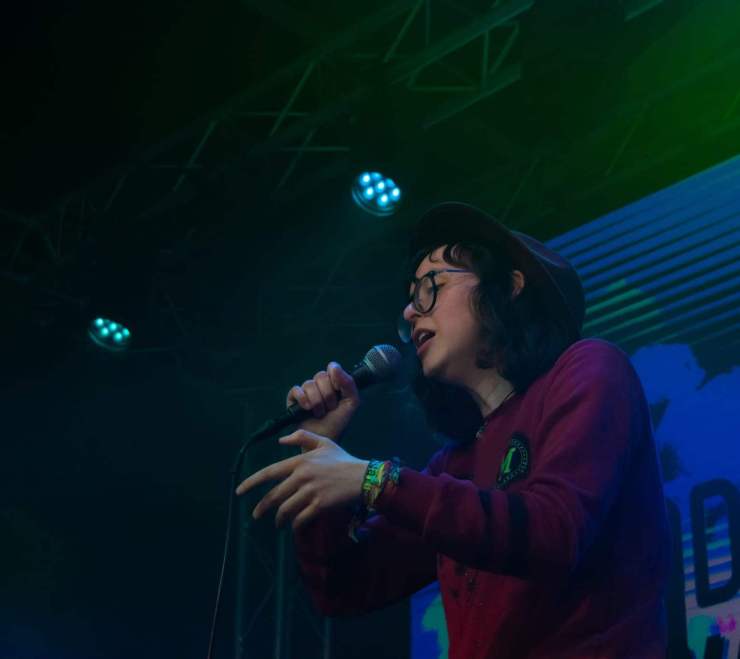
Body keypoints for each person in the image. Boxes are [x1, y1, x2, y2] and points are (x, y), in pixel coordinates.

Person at [236, 202, 671, 658]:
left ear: (510, 286)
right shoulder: (456, 462)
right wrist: (322, 447)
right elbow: (343, 589)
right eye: (411, 296)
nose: (410, 311)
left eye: (431, 286)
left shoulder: (589, 367)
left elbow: (556, 530)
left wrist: (374, 479)